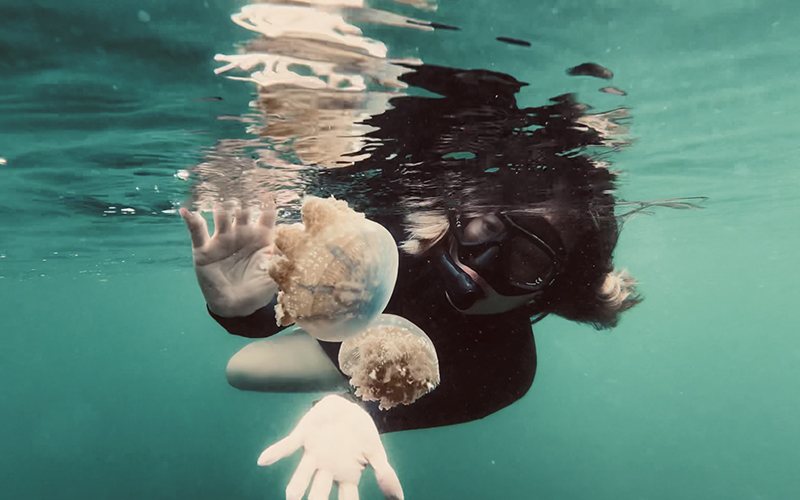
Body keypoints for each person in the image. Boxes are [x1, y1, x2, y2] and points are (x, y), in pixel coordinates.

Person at [180, 64, 642, 500]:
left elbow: (371, 409)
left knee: (243, 371)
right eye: (485, 227)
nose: (481, 262)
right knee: (244, 364)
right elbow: (273, 313)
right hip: (360, 300)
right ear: (464, 212)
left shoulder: (504, 371)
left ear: (553, 287)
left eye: (525, 259)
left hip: (399, 360)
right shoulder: (389, 231)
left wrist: (353, 410)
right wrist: (239, 309)